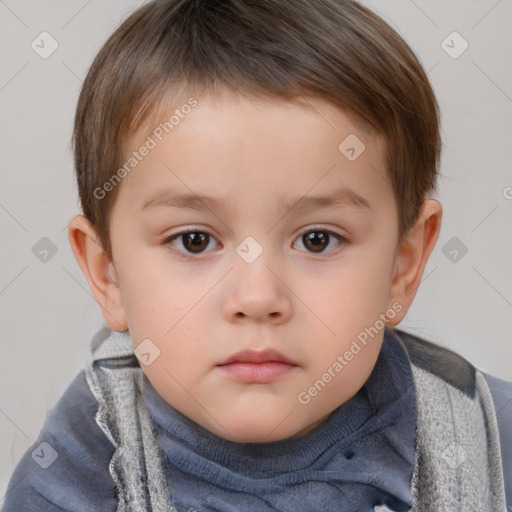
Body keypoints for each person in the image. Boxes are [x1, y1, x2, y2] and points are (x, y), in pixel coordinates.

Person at [3, 0, 511, 511]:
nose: (257, 297)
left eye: (318, 239)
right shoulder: (71, 477)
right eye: (194, 240)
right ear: (107, 273)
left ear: (403, 265)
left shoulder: (490, 444)